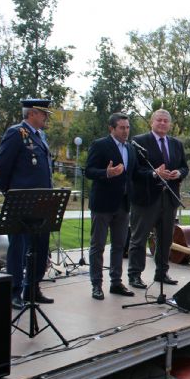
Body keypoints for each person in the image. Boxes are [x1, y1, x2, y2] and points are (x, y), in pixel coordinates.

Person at [0, 99, 54, 310]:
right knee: (18, 248)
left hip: (42, 201)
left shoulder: (41, 136)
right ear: (32, 113)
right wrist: (10, 193)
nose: (46, 117)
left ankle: (33, 287)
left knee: (40, 246)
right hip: (21, 201)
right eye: (43, 113)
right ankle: (14, 291)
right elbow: (2, 167)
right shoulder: (16, 133)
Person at [127, 109, 189, 289]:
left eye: (165, 121)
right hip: (146, 198)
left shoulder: (176, 144)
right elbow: (135, 170)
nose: (162, 123)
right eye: (159, 120)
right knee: (139, 238)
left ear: (170, 125)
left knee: (165, 239)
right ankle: (135, 275)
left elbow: (184, 167)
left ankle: (162, 272)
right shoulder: (139, 142)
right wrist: (154, 174)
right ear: (151, 122)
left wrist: (178, 173)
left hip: (169, 197)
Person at [85, 112, 137, 300]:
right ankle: (96, 285)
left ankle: (116, 282)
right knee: (97, 245)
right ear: (112, 128)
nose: (125, 131)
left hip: (123, 204)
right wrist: (106, 173)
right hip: (103, 204)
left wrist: (155, 174)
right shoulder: (100, 145)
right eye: (122, 128)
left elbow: (134, 173)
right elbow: (88, 171)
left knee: (119, 245)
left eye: (127, 127)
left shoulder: (131, 149)